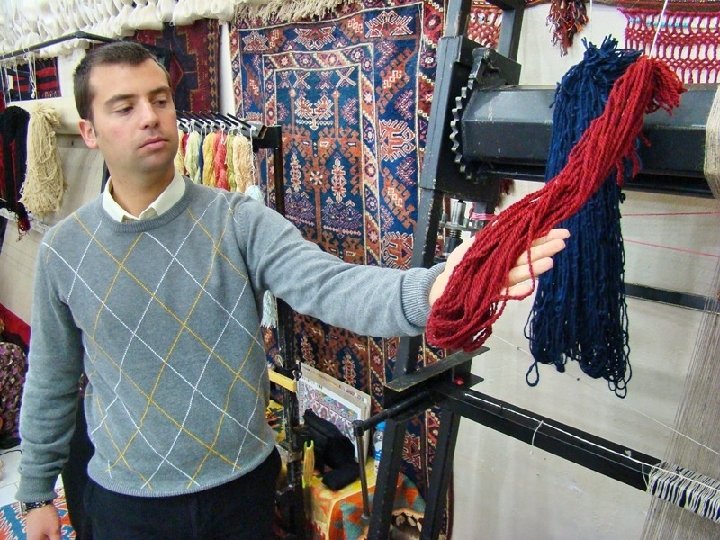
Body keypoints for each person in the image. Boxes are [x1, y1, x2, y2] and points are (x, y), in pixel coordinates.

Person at [16, 41, 568, 540]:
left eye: (160, 99)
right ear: (89, 131)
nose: (150, 116)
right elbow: (51, 379)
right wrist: (38, 492)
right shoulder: (65, 250)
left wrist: (436, 290)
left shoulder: (237, 222)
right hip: (126, 502)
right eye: (124, 107)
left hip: (239, 491)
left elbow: (331, 284)